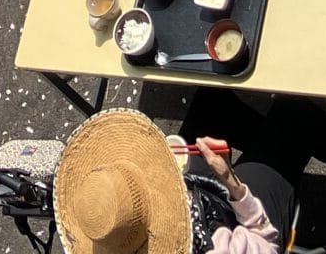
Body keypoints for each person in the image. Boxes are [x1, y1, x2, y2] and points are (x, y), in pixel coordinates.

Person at [48, 103, 291, 254]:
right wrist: (231, 180)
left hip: (197, 200)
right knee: (291, 121)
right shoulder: (218, 249)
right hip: (226, 224)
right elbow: (266, 241)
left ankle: (261, 138)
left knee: (210, 105)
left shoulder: (112, 233)